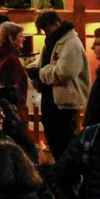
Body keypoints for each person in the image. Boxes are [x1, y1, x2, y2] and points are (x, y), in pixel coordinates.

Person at [32, 11, 89, 161]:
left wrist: (40, 73)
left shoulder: (71, 43)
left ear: (55, 24)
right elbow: (45, 64)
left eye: (46, 29)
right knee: (55, 142)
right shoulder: (53, 42)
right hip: (51, 99)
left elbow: (65, 72)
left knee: (64, 144)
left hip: (65, 104)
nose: (45, 34)